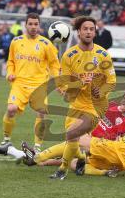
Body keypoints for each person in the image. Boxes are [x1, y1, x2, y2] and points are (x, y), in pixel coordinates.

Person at [23, 15, 116, 180]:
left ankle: (62, 170)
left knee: (71, 133)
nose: (88, 32)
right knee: (72, 140)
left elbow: (112, 82)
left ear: (95, 32)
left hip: (95, 107)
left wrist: (101, 92)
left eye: (91, 29)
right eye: (85, 29)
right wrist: (79, 83)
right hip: (75, 105)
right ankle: (80, 159)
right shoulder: (68, 56)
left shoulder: (103, 55)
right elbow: (65, 87)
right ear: (79, 32)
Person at [0, 13, 60, 155]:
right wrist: (9, 73)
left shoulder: (47, 44)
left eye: (36, 24)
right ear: (26, 24)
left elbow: (54, 65)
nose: (33, 27)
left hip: (39, 85)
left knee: (41, 112)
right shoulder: (16, 41)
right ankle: (6, 140)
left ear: (39, 26)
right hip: (20, 84)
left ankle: (37, 147)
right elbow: (10, 61)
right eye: (31, 24)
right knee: (11, 109)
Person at [10, 90, 125, 165]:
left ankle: (37, 158)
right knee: (72, 146)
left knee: (72, 147)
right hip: (89, 139)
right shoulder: (110, 106)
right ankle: (39, 160)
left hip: (102, 149)